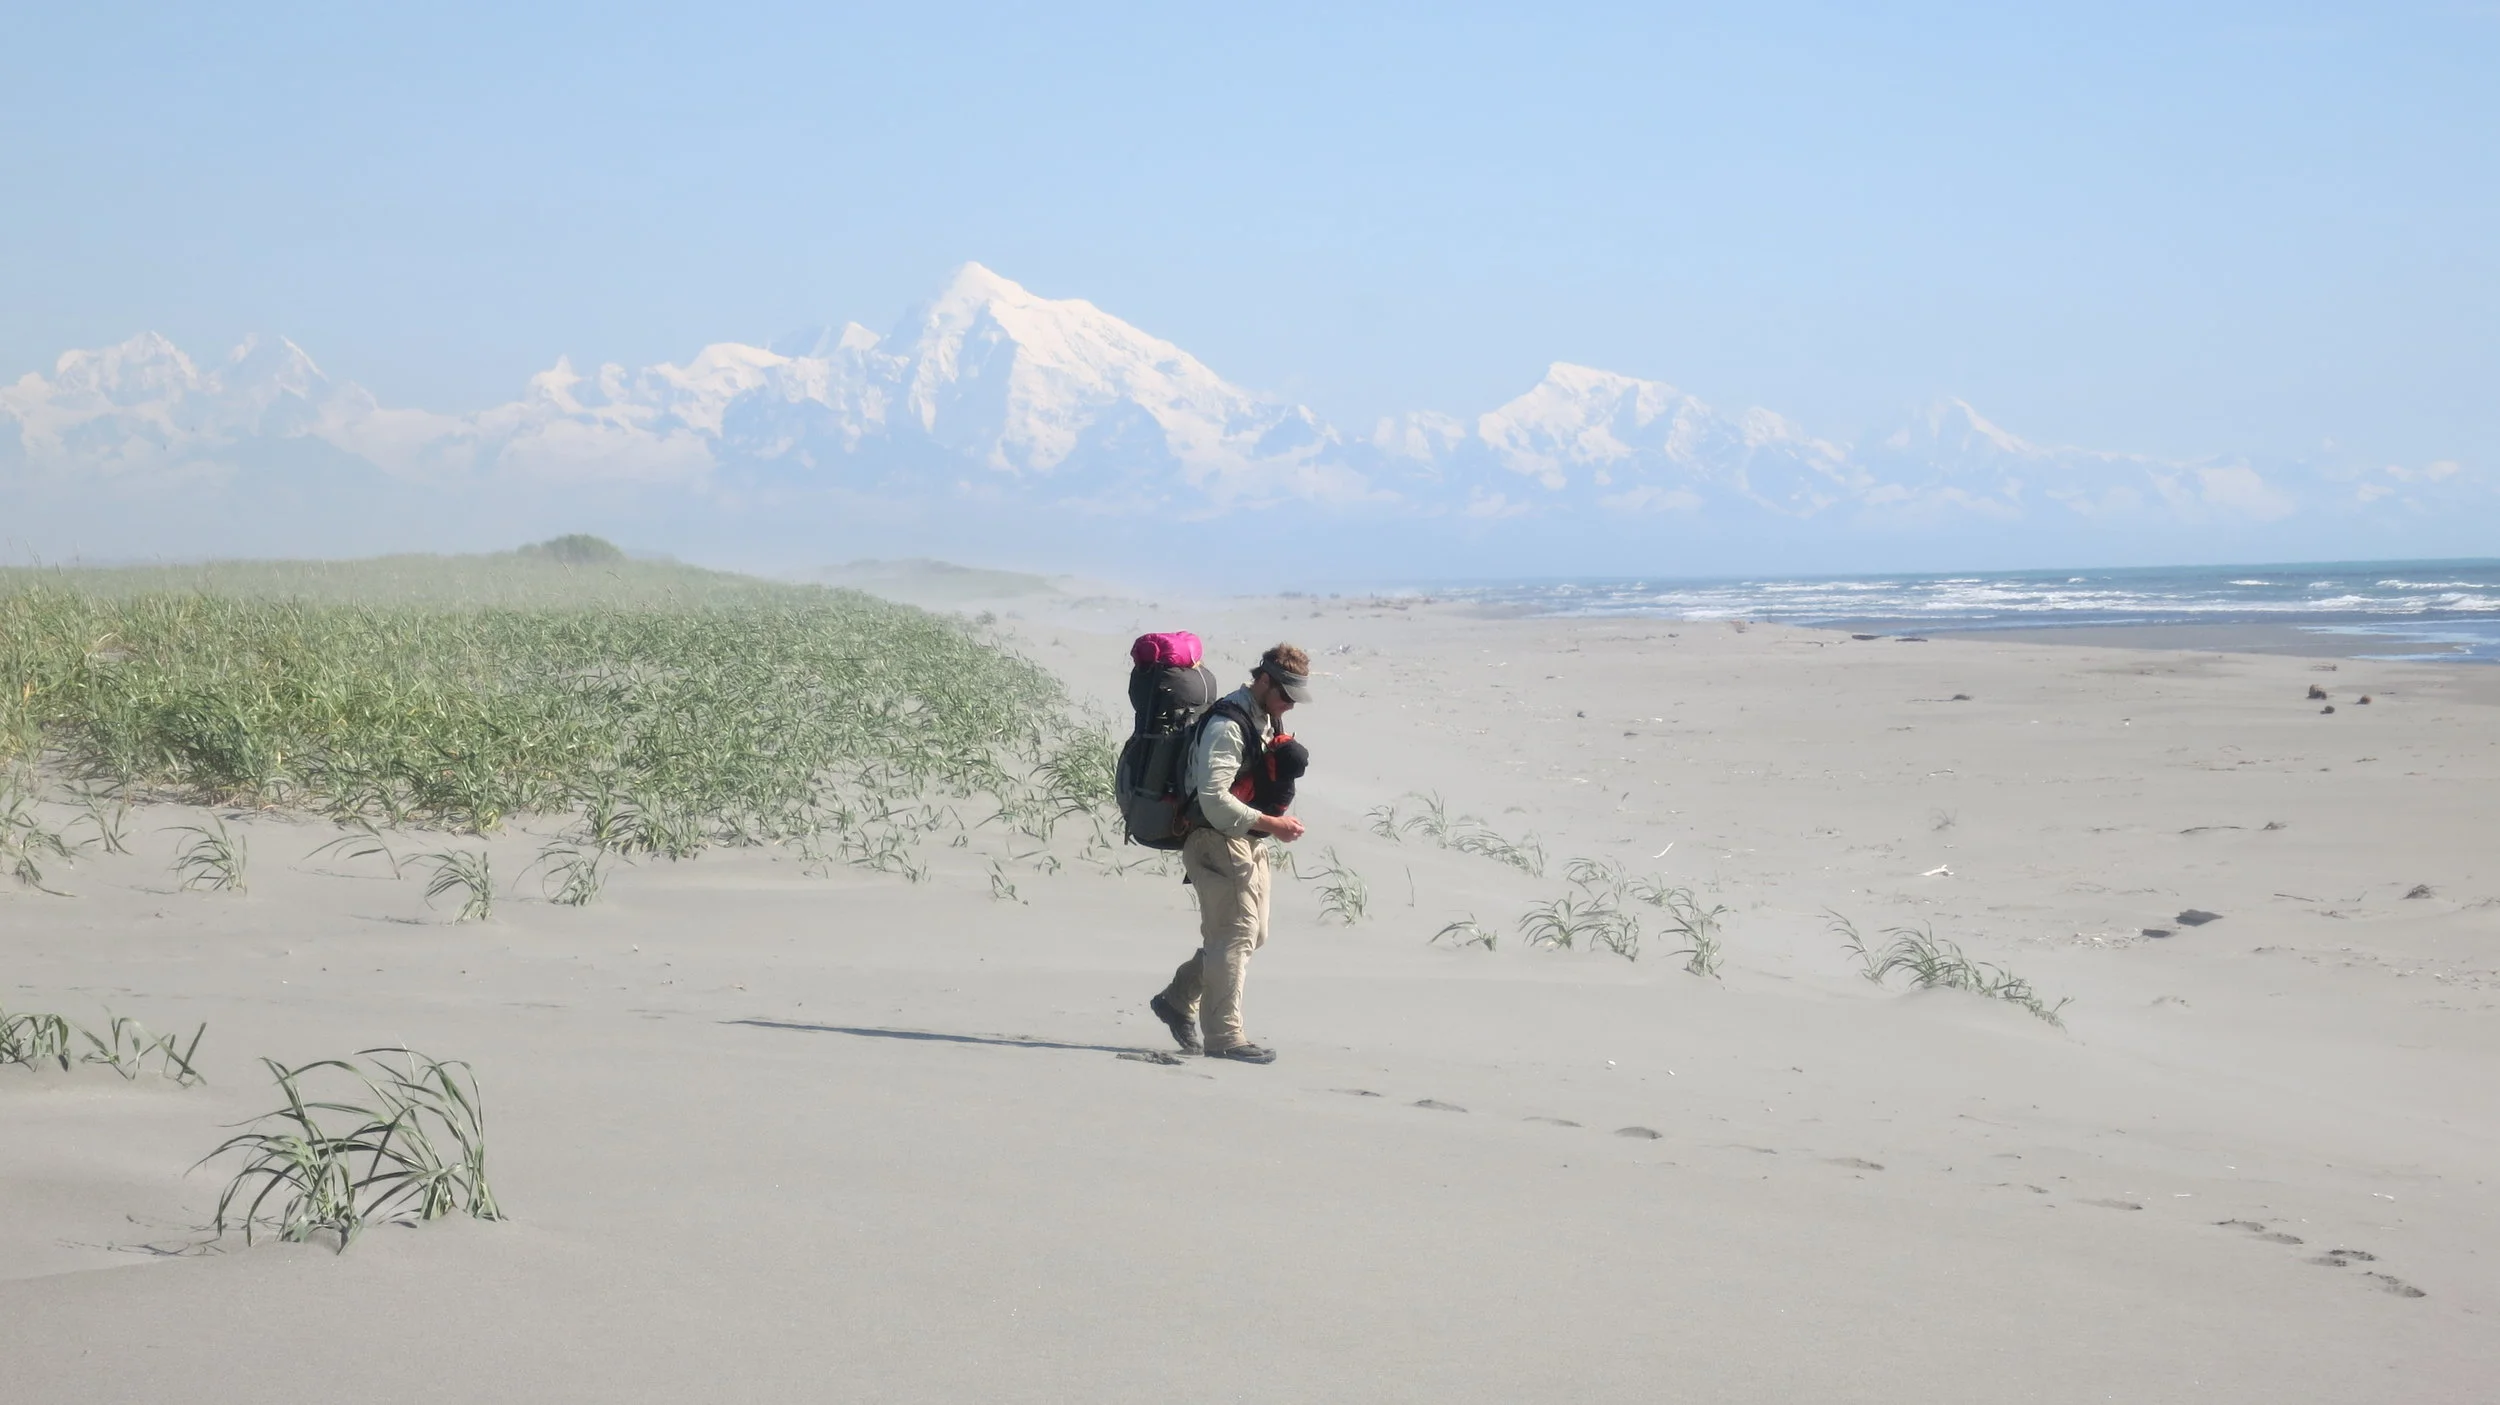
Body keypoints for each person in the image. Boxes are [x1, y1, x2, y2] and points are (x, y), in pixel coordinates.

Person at [1148, 644, 1311, 1063]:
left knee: (1253, 935)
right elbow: (1215, 800)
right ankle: (1224, 1037)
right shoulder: (1227, 725)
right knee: (1234, 937)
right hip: (1215, 838)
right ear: (1263, 680)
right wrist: (1273, 823)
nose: (1290, 705)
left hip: (1245, 840)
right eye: (1285, 694)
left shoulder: (1264, 714)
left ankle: (1177, 998)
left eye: (1296, 697)